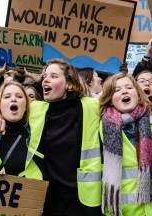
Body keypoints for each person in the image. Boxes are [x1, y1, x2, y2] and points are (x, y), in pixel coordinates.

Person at [25, 59, 102, 216]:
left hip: (80, 199)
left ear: (70, 84)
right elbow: (0, 106)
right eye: (44, 76)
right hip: (45, 197)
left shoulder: (91, 106)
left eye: (53, 76)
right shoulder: (36, 108)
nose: (45, 79)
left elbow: (123, 106)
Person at [100, 72, 152, 216]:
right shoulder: (101, 126)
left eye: (129, 87)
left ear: (138, 93)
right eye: (117, 90)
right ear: (110, 99)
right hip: (124, 211)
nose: (124, 91)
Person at [0, 81, 30, 176]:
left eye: (19, 96)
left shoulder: (35, 133)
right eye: (7, 97)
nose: (13, 99)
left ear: (26, 106)